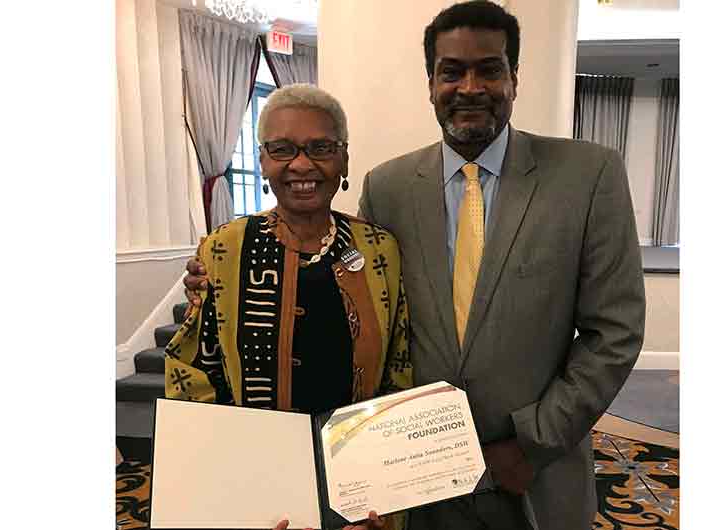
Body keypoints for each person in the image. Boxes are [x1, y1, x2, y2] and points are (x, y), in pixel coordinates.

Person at [185, 2, 645, 529]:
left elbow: (615, 333)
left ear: (514, 78)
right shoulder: (389, 187)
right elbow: (358, 297)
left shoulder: (587, 176)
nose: (470, 87)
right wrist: (214, 279)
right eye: (451, 71)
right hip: (410, 482)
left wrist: (530, 443)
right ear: (430, 83)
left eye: (489, 69)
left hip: (533, 475)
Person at [165, 84, 411, 530]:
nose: (302, 164)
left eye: (321, 147)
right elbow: (198, 372)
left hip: (359, 473)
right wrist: (222, 488)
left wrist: (385, 493)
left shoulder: (379, 249)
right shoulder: (225, 248)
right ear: (263, 162)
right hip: (256, 476)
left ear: (344, 160)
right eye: (282, 149)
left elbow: (399, 368)